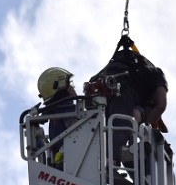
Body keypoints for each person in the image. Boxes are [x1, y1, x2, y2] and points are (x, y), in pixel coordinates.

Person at [87, 35, 168, 164]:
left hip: (100, 93)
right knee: (127, 119)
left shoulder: (121, 72)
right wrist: (142, 129)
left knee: (114, 123)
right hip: (122, 100)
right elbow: (161, 105)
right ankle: (111, 160)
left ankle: (104, 159)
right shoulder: (154, 75)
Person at [37, 67, 77, 165]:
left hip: (62, 164)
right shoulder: (68, 109)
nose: (73, 87)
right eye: (69, 83)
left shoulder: (54, 113)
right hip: (75, 161)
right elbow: (80, 131)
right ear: (59, 87)